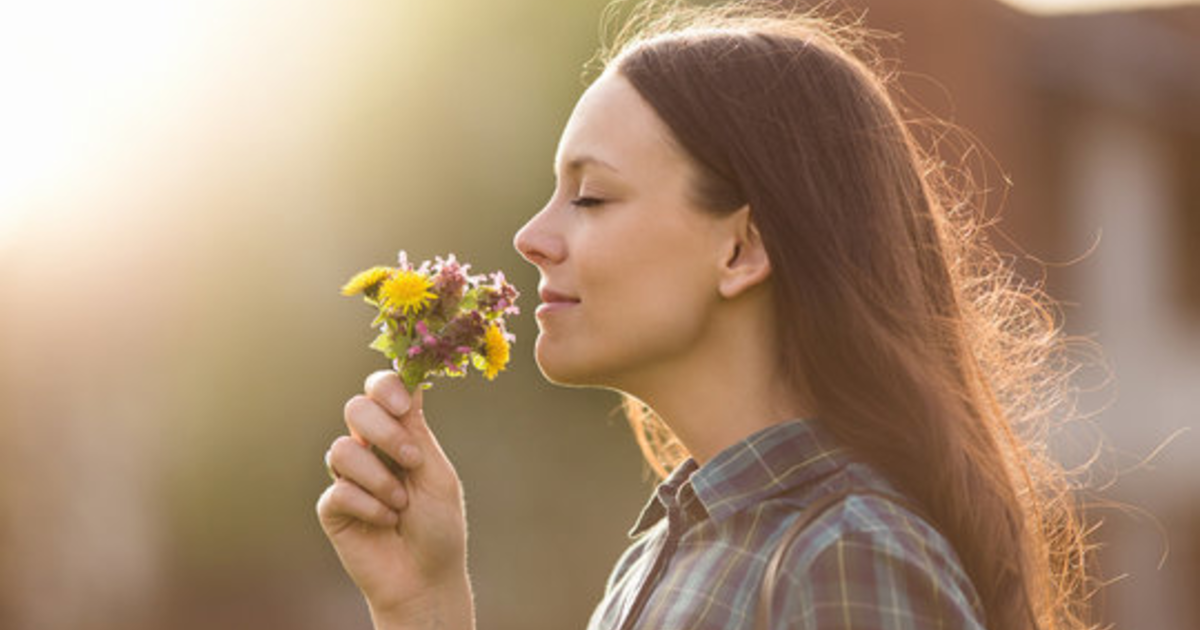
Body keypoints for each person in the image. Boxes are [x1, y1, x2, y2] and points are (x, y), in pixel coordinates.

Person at [316, 1, 1097, 629]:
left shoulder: (844, 555)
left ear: (741, 250)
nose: (531, 236)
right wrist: (422, 601)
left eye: (590, 196)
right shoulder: (670, 554)